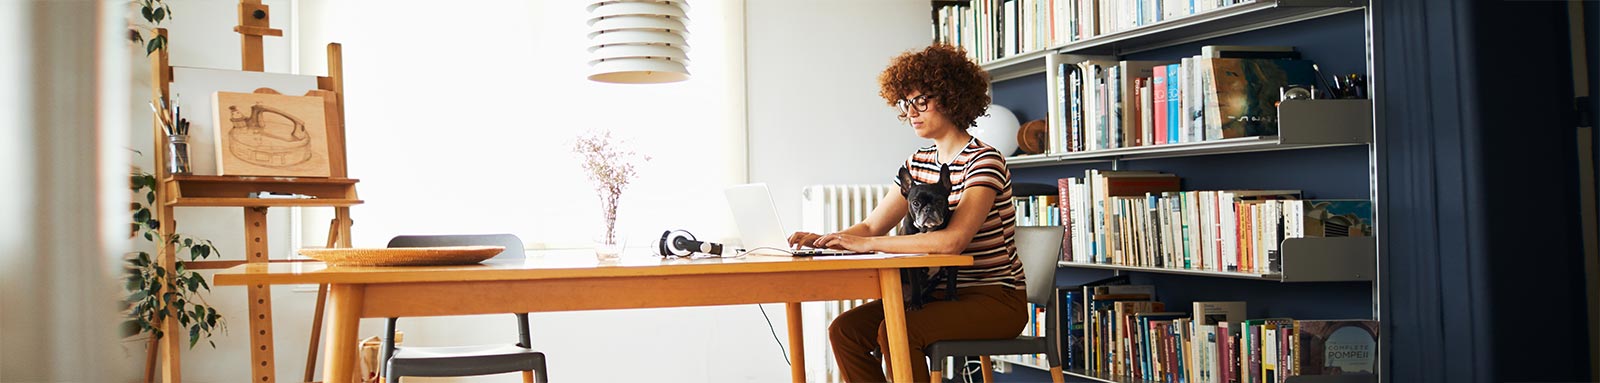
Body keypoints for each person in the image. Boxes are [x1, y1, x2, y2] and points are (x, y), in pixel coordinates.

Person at [786, 44, 1025, 383]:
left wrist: (868, 245)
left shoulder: (984, 160)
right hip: (934, 296)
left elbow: (952, 242)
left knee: (898, 331)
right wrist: (824, 241)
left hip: (994, 298)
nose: (911, 112)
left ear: (951, 98)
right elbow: (871, 225)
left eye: (921, 101)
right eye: (905, 103)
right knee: (845, 331)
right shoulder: (918, 162)